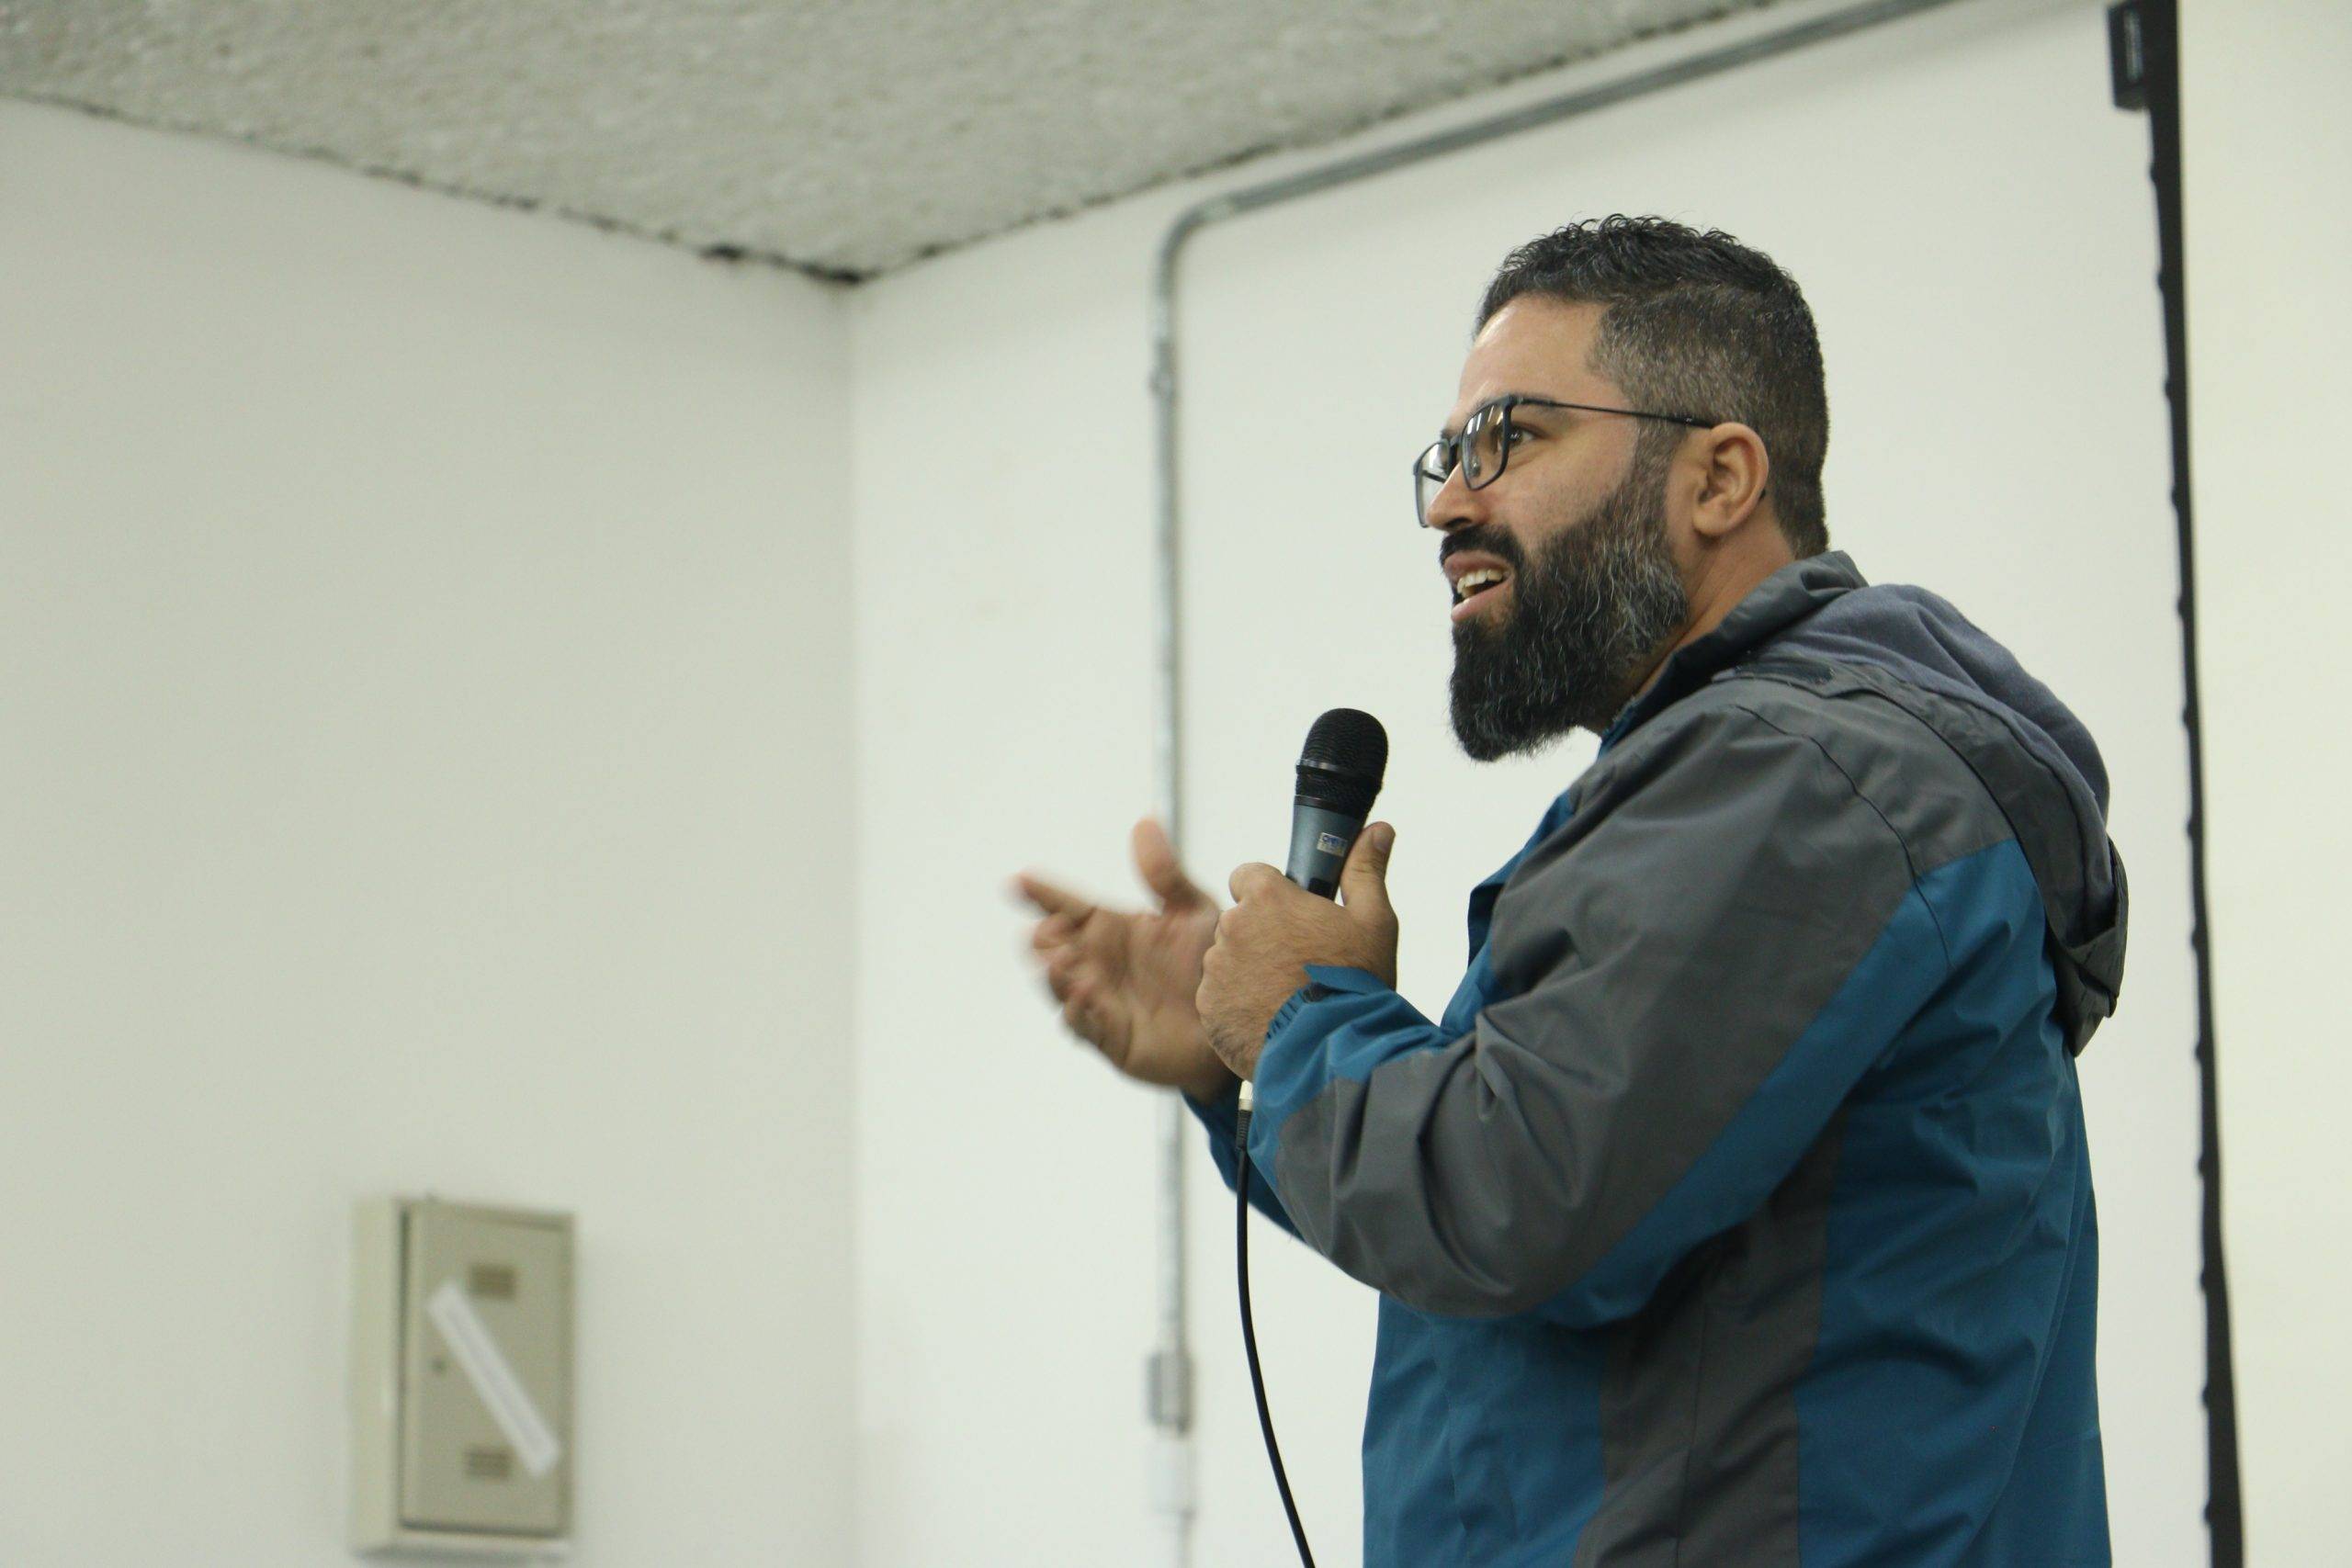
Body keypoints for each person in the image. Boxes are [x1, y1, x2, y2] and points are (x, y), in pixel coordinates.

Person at [1012, 215, 2122, 1566]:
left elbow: (1513, 1201)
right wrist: (1243, 1053)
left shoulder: (1802, 781)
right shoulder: (1749, 783)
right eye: (1447, 456)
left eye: (1511, 439)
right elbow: (1539, 1217)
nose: (1449, 504)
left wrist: (1303, 1023)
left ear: (1719, 478)